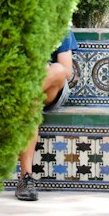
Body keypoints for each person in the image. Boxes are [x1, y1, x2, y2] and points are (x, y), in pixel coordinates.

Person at [15, 28, 77, 202]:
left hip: (53, 88)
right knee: (32, 103)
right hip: (26, 86)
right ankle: (26, 177)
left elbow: (67, 71)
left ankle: (20, 98)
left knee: (57, 69)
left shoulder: (59, 22)